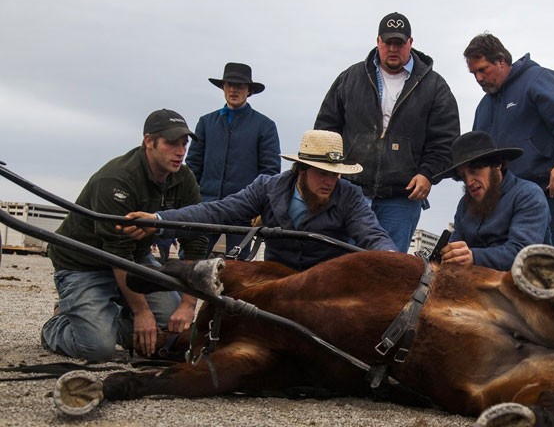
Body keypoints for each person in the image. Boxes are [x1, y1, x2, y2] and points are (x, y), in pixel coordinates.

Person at [42, 109, 208, 361]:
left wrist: (187, 305)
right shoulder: (116, 179)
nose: (180, 151)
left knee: (174, 332)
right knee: (98, 350)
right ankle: (57, 325)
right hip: (83, 264)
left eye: (184, 143)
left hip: (137, 257)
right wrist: (141, 312)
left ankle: (101, 317)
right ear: (149, 142)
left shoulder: (184, 179)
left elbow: (195, 242)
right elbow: (117, 253)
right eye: (172, 143)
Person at [123, 130, 396, 271]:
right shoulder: (268, 187)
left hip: (325, 282)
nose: (330, 181)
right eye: (323, 173)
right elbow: (218, 212)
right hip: (276, 277)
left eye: (335, 174)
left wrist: (396, 262)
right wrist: (159, 221)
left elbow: (372, 235)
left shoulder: (349, 196)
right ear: (301, 169)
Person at [314, 12, 460, 253]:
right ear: (378, 41)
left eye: (399, 43)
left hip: (401, 199)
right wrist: (331, 167)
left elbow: (446, 141)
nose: (393, 48)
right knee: (339, 265)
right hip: (350, 192)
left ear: (410, 43)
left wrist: (428, 174)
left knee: (388, 273)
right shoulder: (350, 78)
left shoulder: (435, 87)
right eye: (388, 42)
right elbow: (326, 128)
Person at [463, 33, 554, 263]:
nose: (478, 78)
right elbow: (478, 155)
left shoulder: (536, 79)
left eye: (483, 70)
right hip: (510, 199)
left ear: (501, 61)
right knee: (513, 268)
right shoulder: (483, 107)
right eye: (474, 73)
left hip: (553, 190)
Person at [185, 62, 281, 259]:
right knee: (192, 260)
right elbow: (192, 167)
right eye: (229, 84)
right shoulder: (206, 122)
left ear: (249, 91)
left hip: (243, 210)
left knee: (239, 266)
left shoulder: (265, 126)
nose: (234, 90)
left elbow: (270, 172)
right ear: (223, 87)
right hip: (206, 207)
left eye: (240, 86)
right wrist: (189, 203)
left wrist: (260, 207)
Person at [434, 131, 551, 271]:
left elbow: (523, 253)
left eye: (475, 170)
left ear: (497, 165)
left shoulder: (528, 195)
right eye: (463, 176)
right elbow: (456, 246)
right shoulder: (464, 205)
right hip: (474, 282)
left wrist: (473, 257)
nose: (469, 182)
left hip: (521, 283)